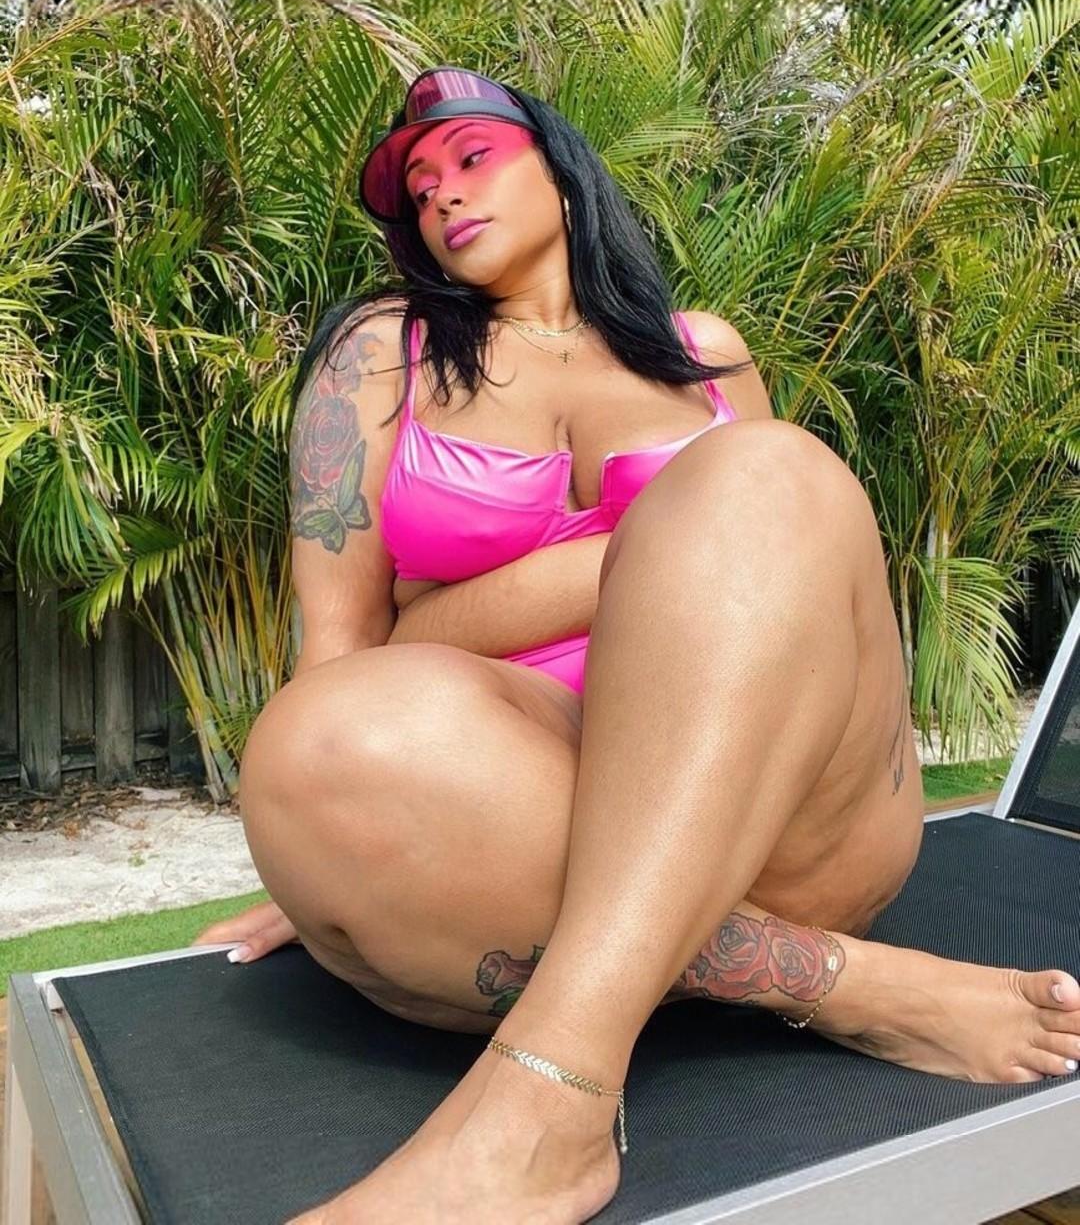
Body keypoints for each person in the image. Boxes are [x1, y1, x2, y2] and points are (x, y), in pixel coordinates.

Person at [193, 66, 1080, 1224]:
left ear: (562, 173)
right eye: (418, 188)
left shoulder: (702, 353)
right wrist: (321, 847)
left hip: (784, 818)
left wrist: (523, 592)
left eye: (471, 158)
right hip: (527, 823)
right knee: (312, 744)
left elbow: (780, 584)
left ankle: (547, 1102)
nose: (441, 194)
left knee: (765, 474)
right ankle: (847, 985)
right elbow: (352, 645)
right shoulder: (381, 354)